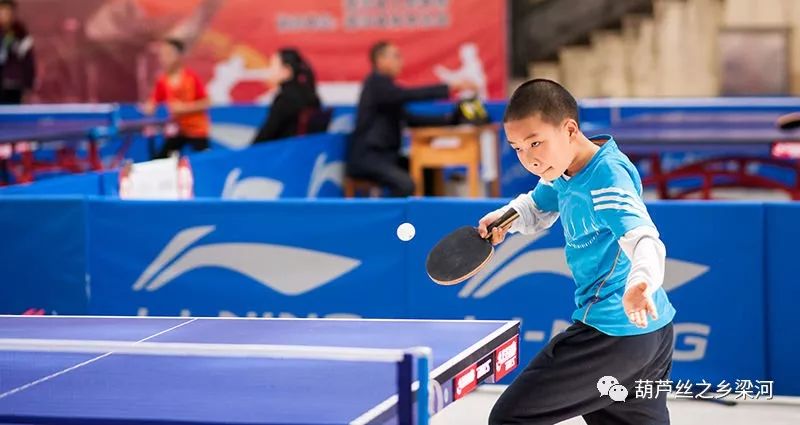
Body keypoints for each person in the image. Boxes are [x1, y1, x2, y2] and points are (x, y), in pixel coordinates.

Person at [483, 79, 676, 425]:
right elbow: (537, 205)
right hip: (650, 333)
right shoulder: (566, 168)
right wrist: (505, 219)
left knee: (511, 419)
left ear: (570, 129)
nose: (529, 159)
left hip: (614, 332)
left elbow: (643, 238)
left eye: (535, 143)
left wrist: (642, 283)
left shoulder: (607, 179)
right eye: (517, 148)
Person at [346, 40, 476, 197]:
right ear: (380, 60)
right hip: (368, 158)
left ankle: (427, 211)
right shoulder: (376, 85)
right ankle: (392, 214)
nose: (400, 61)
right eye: (396, 56)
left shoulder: (388, 90)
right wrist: (448, 88)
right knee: (405, 185)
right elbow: (409, 94)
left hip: (388, 157)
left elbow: (410, 119)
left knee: (427, 171)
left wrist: (450, 119)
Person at [141, 38, 211, 158]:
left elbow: (206, 102)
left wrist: (184, 108)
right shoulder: (162, 81)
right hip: (177, 128)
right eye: (163, 54)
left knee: (204, 160)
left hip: (197, 129)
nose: (165, 58)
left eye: (169, 54)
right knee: (161, 160)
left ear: (179, 56)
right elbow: (153, 101)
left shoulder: (191, 78)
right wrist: (149, 107)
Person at [251, 48, 323, 143]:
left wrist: (247, 150)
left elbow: (265, 135)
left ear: (286, 71)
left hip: (284, 149)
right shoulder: (311, 95)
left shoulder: (284, 100)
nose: (269, 70)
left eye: (272, 66)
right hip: (303, 148)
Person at [0, 0, 35, 104]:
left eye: (8, 11)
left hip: (15, 86)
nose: (5, 15)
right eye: (2, 11)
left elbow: (28, 61)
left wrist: (28, 85)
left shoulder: (20, 32)